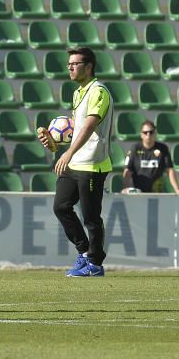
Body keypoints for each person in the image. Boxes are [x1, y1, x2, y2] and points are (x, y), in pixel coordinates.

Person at [36, 45, 113, 277]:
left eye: (75, 63)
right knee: (61, 206)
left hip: (92, 163)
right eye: (69, 63)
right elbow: (76, 128)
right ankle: (84, 252)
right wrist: (54, 143)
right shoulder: (78, 92)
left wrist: (67, 153)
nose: (69, 67)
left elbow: (90, 125)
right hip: (75, 161)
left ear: (88, 67)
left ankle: (96, 264)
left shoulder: (98, 91)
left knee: (91, 217)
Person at [122, 120, 179, 194]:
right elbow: (127, 171)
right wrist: (125, 189)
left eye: (151, 132)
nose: (148, 135)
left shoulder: (162, 148)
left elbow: (170, 170)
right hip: (138, 194)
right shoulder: (135, 149)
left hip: (156, 193)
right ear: (141, 135)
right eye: (145, 132)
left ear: (155, 134)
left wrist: (177, 189)